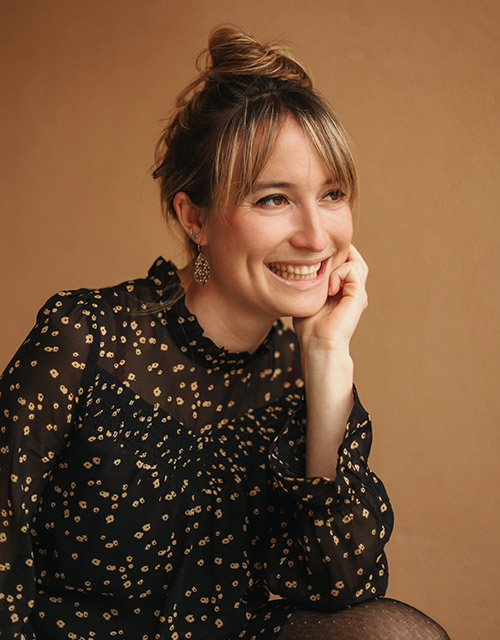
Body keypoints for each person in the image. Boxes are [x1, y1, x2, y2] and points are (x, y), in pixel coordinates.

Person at [0, 26, 449, 640]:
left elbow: (339, 588)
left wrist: (325, 362)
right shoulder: (88, 336)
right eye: (273, 200)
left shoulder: (298, 376)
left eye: (332, 194)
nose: (317, 236)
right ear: (195, 218)